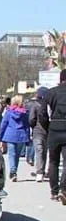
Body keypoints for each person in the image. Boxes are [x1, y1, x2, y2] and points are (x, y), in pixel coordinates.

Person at [43, 70, 66, 202]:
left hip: (54, 128)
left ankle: (54, 191)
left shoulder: (51, 92)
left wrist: (47, 127)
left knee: (53, 161)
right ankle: (64, 189)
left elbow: (42, 113)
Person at [0, 94, 30, 182]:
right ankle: (14, 171)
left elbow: (3, 125)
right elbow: (27, 126)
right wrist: (28, 138)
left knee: (11, 154)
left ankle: (13, 172)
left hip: (10, 135)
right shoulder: (25, 113)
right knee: (17, 156)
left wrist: (0, 137)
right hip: (21, 135)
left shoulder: (9, 112)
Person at [30, 86, 50, 182]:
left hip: (37, 131)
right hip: (48, 130)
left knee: (39, 151)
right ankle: (43, 171)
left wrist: (32, 126)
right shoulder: (49, 105)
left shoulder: (35, 105)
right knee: (44, 151)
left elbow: (31, 119)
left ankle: (39, 172)